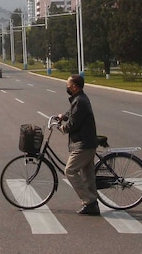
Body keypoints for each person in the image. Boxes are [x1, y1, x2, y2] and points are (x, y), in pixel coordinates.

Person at [56, 74, 100, 216]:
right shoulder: (78, 99)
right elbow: (72, 114)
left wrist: (62, 128)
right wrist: (63, 116)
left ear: (74, 86)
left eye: (68, 85)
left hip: (84, 144)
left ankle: (90, 200)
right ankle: (92, 206)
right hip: (85, 142)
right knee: (87, 175)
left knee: (69, 171)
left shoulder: (80, 101)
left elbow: (74, 123)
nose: (67, 88)